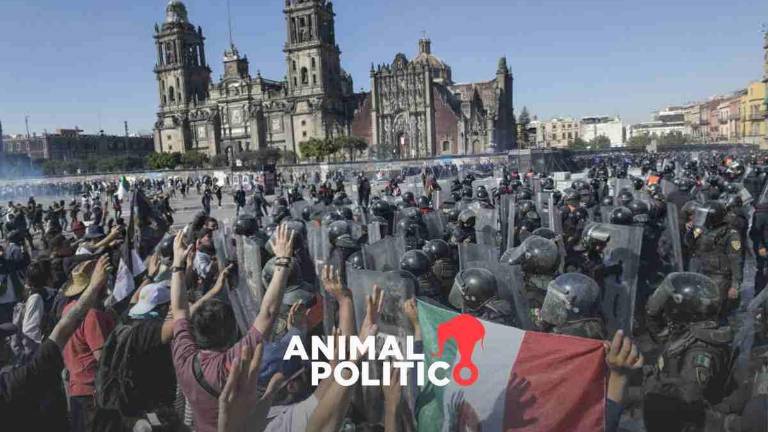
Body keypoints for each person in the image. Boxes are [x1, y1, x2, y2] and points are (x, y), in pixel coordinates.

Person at [170, 224, 295, 432]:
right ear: (230, 333)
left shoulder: (183, 356)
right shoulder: (230, 363)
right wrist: (282, 262)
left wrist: (178, 264)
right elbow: (269, 314)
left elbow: (179, 310)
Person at [0, 255, 111, 432]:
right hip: (90, 392)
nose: (8, 342)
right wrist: (94, 286)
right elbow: (63, 331)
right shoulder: (14, 382)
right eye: (3, 339)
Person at [61, 259, 117, 432]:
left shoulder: (68, 308)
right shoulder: (92, 314)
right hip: (92, 391)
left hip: (77, 388)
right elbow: (103, 357)